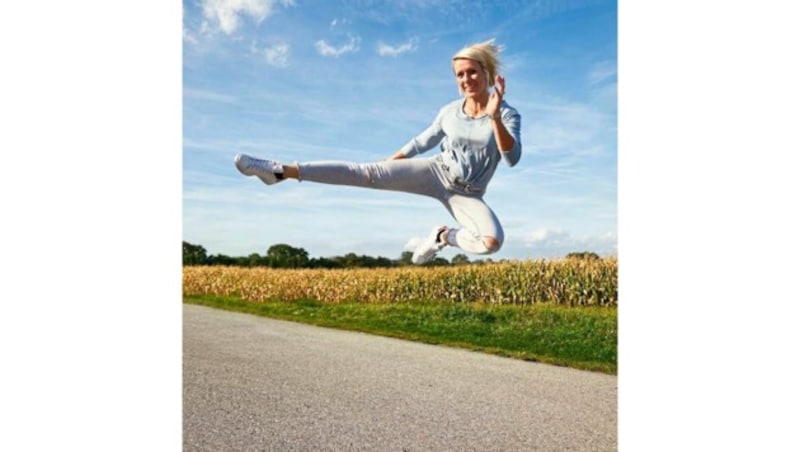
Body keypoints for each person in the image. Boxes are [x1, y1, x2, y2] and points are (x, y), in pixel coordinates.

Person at [234, 39, 522, 265]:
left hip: (467, 194)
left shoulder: (508, 115)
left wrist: (494, 117)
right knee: (365, 172)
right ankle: (280, 171)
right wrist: (389, 166)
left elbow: (512, 158)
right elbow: (422, 141)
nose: (466, 79)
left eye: (472, 72)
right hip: (435, 172)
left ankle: (442, 236)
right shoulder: (449, 112)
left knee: (491, 243)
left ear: (488, 73)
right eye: (460, 74)